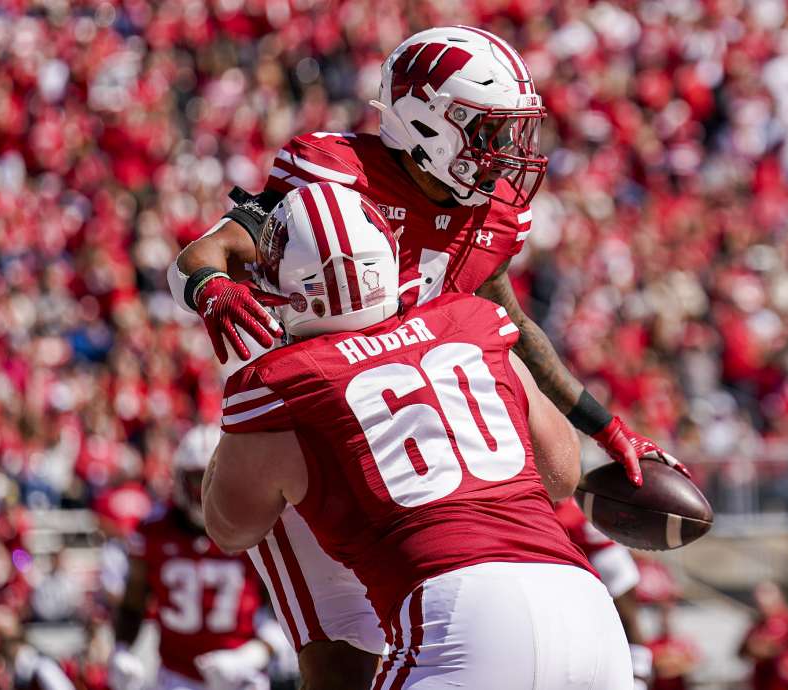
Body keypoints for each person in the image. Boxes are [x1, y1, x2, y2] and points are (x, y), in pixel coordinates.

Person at [169, 24, 683, 685]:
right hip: (322, 416)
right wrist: (211, 287)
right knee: (339, 642)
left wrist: (606, 426)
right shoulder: (334, 178)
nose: (505, 154)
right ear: (425, 122)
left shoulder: (487, 222)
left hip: (417, 423)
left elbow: (517, 324)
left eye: (509, 132)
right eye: (488, 131)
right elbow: (212, 250)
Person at [203, 181, 632, 688]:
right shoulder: (472, 322)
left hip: (457, 621)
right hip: (585, 608)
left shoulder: (284, 383)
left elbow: (230, 526)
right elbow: (561, 473)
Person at [109, 425, 287, 690]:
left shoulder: (256, 529)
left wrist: (252, 655)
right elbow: (134, 602)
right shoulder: (154, 532)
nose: (205, 491)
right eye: (197, 479)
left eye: (215, 479)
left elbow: (283, 611)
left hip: (241, 677)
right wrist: (121, 649)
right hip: (176, 678)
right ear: (179, 479)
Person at [555, 496, 653, 688]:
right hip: (599, 557)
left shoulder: (566, 514)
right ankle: (640, 671)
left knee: (626, 618)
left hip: (603, 557)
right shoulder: (575, 506)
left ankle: (640, 673)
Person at [739, 581, 788, 690]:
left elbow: (775, 650)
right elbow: (742, 651)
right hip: (761, 683)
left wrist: (758, 647)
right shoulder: (759, 623)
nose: (762, 608)